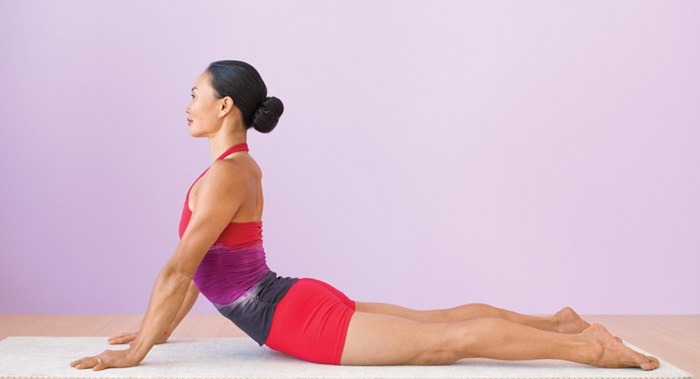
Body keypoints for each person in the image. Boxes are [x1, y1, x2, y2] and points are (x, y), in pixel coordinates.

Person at [71, 60, 659, 372]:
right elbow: (202, 275)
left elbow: (180, 270)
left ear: (224, 105)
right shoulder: (238, 168)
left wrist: (139, 350)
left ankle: (591, 350)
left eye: (194, 94)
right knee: (438, 320)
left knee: (442, 342)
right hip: (292, 297)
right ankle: (559, 323)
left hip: (295, 318)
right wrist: (160, 330)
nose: (187, 106)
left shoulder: (226, 174)